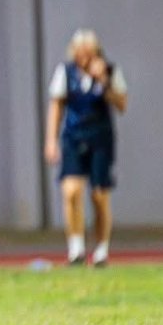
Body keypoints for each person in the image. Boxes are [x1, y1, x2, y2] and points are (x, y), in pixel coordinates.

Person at [46, 29, 127, 267]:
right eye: (80, 53)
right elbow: (56, 106)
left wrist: (104, 81)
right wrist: (51, 140)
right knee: (70, 190)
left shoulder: (110, 71)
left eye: (89, 53)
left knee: (99, 194)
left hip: (100, 137)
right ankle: (76, 247)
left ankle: (101, 249)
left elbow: (121, 104)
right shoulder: (66, 73)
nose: (84, 58)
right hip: (73, 136)